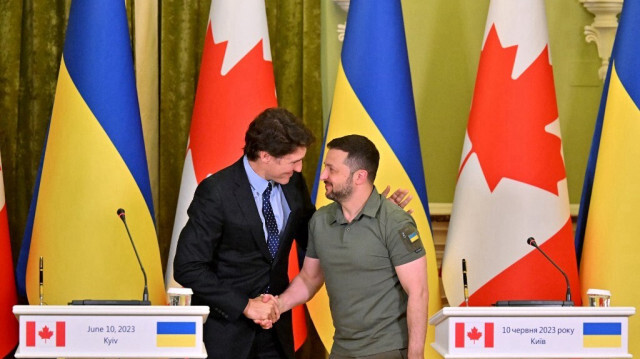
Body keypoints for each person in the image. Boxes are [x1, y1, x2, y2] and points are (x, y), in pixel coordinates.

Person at [174, 109, 412, 359]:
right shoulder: (216, 192)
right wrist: (245, 306)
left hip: (276, 333)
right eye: (293, 161)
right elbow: (188, 267)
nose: (300, 169)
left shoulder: (292, 184)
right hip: (226, 335)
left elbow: (319, 237)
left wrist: (375, 214)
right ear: (265, 156)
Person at [274, 135, 429, 359]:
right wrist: (277, 305)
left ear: (359, 177)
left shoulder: (395, 221)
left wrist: (416, 355)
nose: (323, 175)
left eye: (331, 169)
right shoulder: (320, 220)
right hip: (341, 350)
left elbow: (418, 292)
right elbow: (310, 278)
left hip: (387, 350)